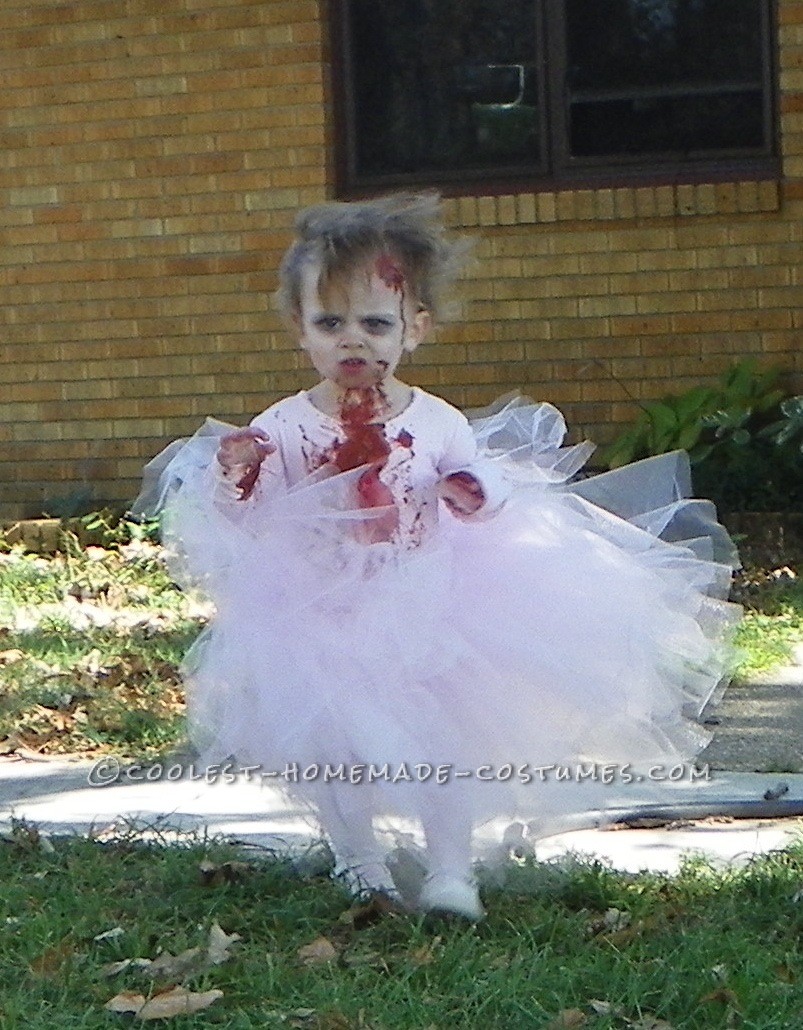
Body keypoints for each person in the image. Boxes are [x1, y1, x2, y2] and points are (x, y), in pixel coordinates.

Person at [137, 193, 740, 922]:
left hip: (436, 602)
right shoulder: (284, 424)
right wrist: (237, 477)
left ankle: (452, 870)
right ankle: (361, 864)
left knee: (447, 746)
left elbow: (490, 489)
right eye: (329, 323)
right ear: (299, 330)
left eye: (375, 322)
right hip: (322, 610)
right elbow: (247, 515)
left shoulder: (436, 419)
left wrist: (472, 491)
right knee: (337, 751)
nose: (352, 340)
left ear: (414, 328)